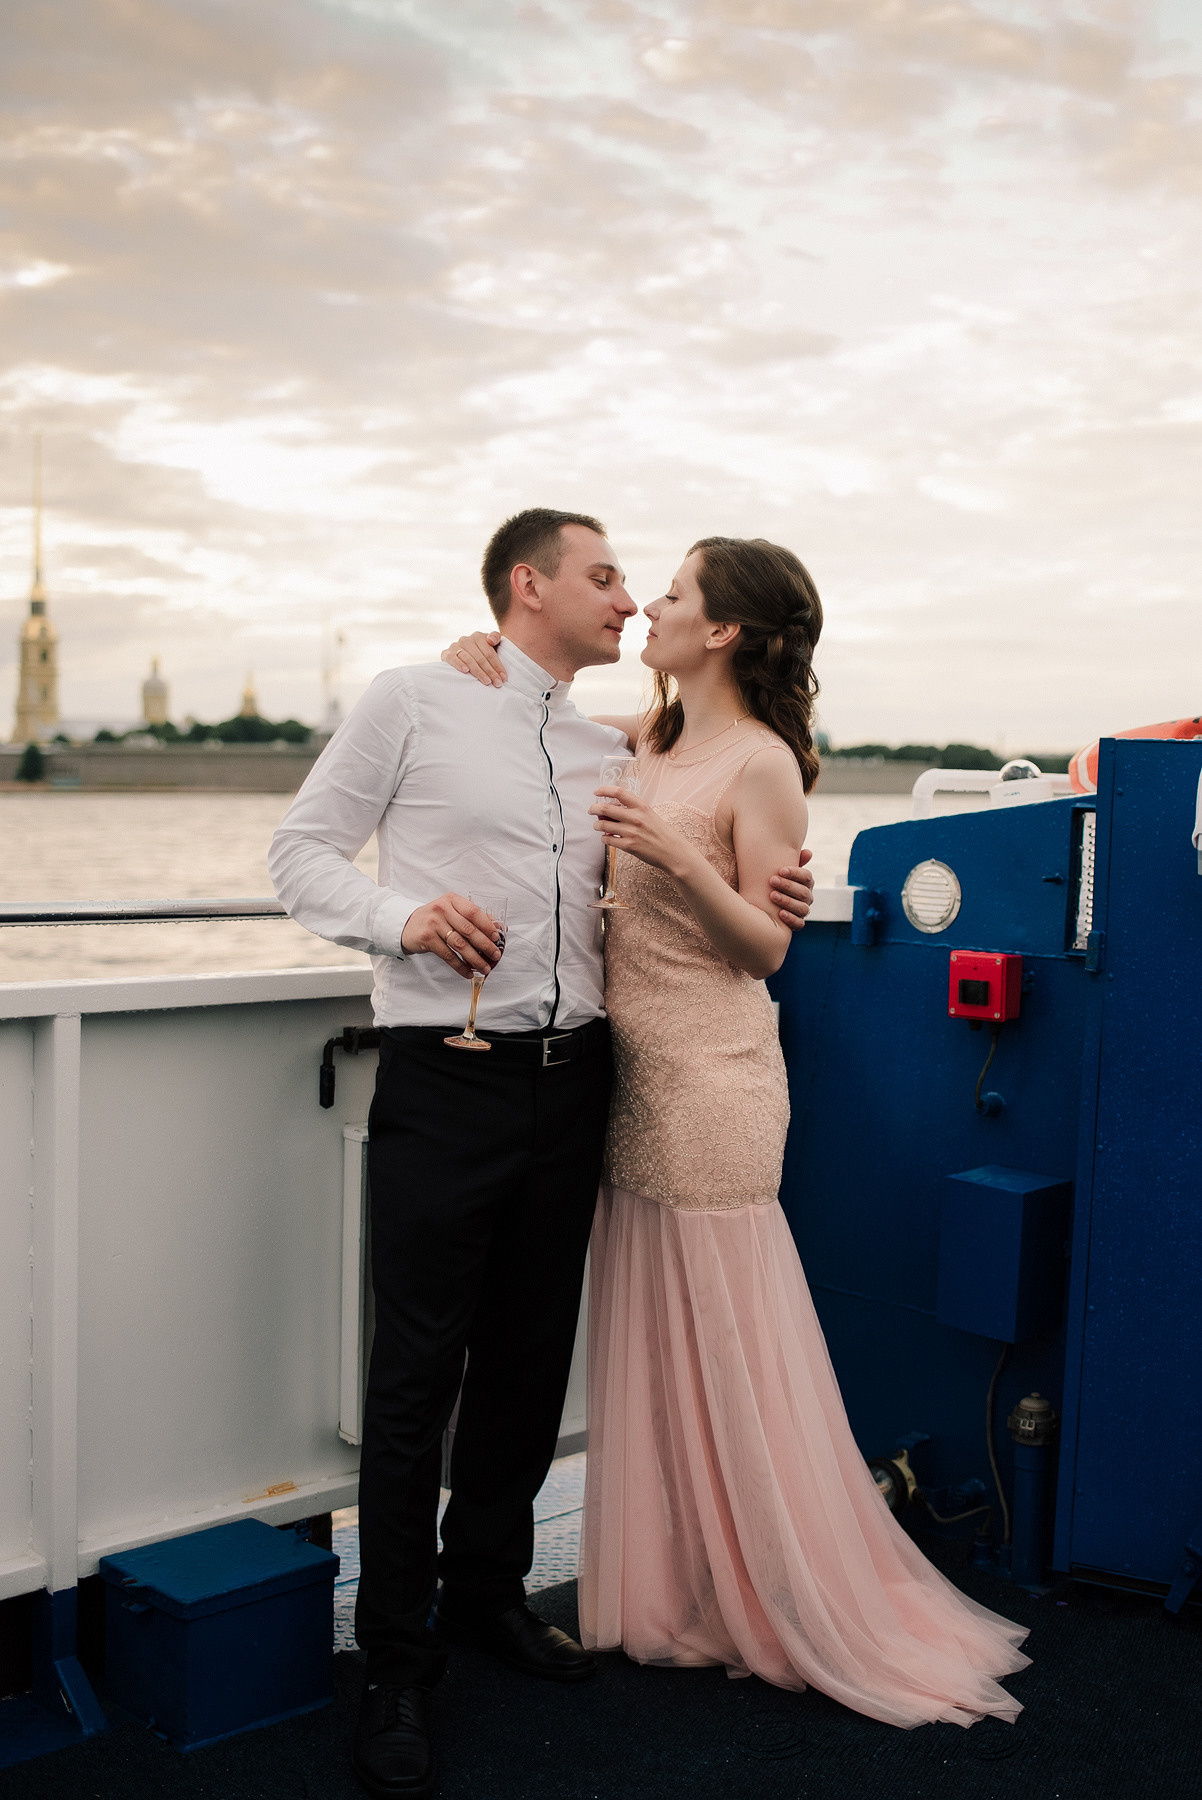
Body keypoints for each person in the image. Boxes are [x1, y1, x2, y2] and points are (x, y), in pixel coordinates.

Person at [268, 509, 815, 1800]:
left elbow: (730, 788)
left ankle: (487, 1597)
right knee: (416, 1378)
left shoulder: (610, 741)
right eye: (604, 577)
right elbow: (297, 856)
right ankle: (395, 1661)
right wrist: (403, 917)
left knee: (525, 1362)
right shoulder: (413, 697)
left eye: (640, 584)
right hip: (445, 1079)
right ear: (527, 585)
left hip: (581, 1082)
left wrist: (777, 883)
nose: (627, 601)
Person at [443, 536, 1030, 1729]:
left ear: (717, 631)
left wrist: (671, 853)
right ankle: (685, 1588)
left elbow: (763, 948)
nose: (647, 606)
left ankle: (787, 1596)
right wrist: (477, 656)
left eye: (670, 593)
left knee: (729, 1343)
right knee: (657, 1339)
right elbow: (540, 718)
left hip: (711, 1081)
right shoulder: (650, 736)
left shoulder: (761, 763)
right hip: (628, 1079)